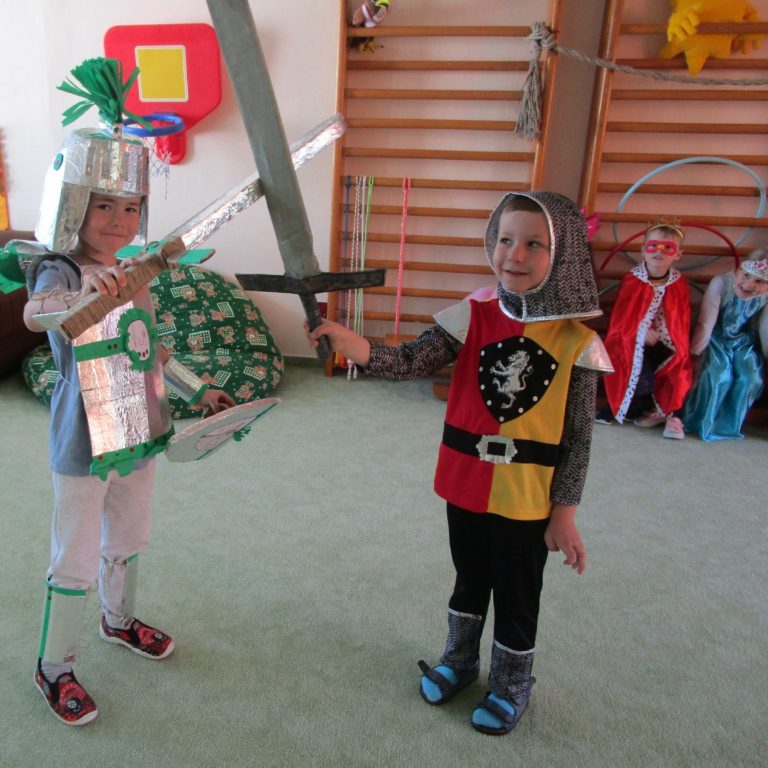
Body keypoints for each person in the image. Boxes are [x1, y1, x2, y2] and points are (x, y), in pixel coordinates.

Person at [309, 191, 612, 736]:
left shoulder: (578, 343)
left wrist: (564, 513)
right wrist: (351, 344)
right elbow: (409, 361)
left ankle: (512, 682)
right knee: (469, 577)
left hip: (527, 498)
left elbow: (578, 439)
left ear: (563, 253)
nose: (514, 254)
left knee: (518, 593)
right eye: (505, 239)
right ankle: (460, 659)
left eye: (534, 244)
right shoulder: (470, 317)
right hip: (466, 483)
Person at [23, 124, 234, 726]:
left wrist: (199, 389)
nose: (120, 219)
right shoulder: (60, 269)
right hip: (84, 437)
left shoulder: (134, 271)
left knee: (129, 536)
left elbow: (150, 348)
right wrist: (82, 293)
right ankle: (54, 667)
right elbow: (36, 312)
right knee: (75, 554)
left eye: (131, 207)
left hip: (138, 425)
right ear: (75, 204)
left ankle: (117, 621)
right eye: (104, 205)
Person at [596, 221, 693, 439]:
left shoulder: (680, 284)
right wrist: (640, 331)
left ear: (678, 254)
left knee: (679, 366)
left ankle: (670, 414)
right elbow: (622, 319)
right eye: (653, 246)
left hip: (666, 343)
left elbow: (681, 320)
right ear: (643, 250)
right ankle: (625, 407)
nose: (659, 251)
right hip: (631, 341)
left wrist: (673, 343)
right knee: (639, 378)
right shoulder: (632, 280)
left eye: (668, 247)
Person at [680, 251, 768, 440]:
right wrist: (695, 353)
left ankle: (726, 426)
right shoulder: (721, 283)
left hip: (743, 341)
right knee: (719, 375)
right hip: (716, 338)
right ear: (738, 270)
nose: (749, 284)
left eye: (759, 281)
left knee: (751, 377)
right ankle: (699, 421)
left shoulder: (765, 295)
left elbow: (765, 327)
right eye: (745, 275)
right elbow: (706, 322)